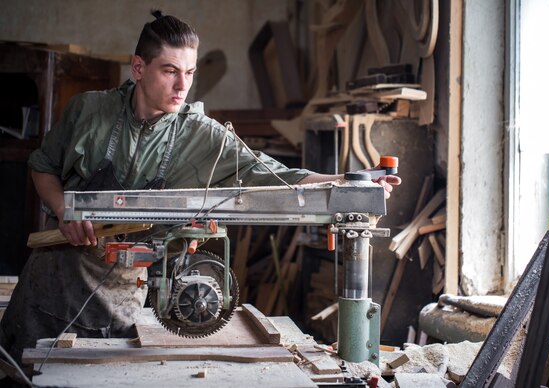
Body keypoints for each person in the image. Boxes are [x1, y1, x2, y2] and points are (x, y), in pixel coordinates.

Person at [0, 10, 401, 367]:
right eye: (170, 70)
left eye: (190, 73)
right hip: (48, 284)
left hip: (116, 300)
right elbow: (42, 166)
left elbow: (275, 174)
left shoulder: (204, 136)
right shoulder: (88, 110)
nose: (182, 86)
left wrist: (351, 182)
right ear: (138, 67)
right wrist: (63, 209)